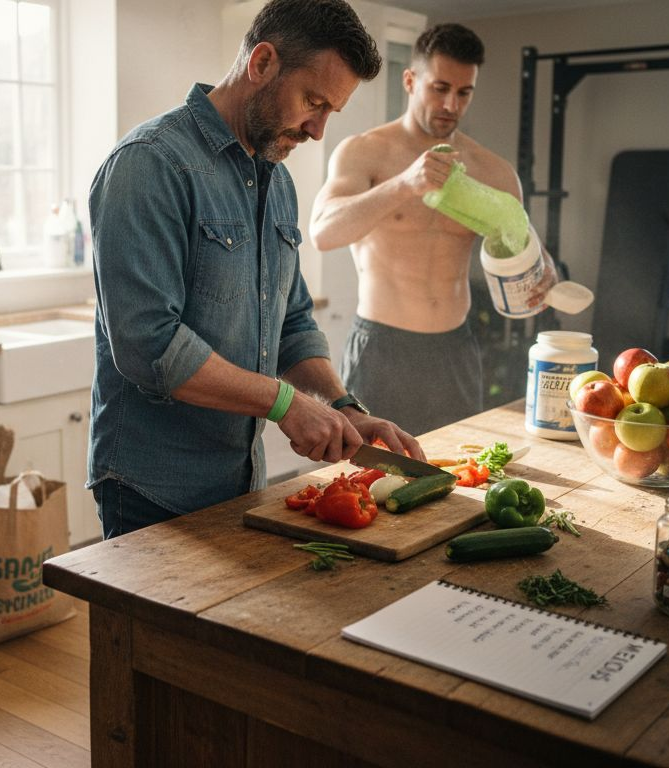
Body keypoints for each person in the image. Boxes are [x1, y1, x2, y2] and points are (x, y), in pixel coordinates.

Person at [87, 0, 423, 539]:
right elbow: (149, 345)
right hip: (152, 489)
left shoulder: (276, 178)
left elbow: (291, 321)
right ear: (262, 62)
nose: (317, 130)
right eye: (313, 102)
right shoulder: (148, 164)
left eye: (331, 111)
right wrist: (285, 403)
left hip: (240, 477)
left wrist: (343, 407)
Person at [309, 23, 519, 437]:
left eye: (463, 92)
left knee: (459, 481)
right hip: (382, 348)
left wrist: (535, 277)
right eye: (439, 88)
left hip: (454, 349)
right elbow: (323, 232)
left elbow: (521, 265)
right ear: (410, 80)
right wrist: (405, 184)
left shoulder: (493, 171)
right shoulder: (364, 151)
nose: (450, 104)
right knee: (368, 478)